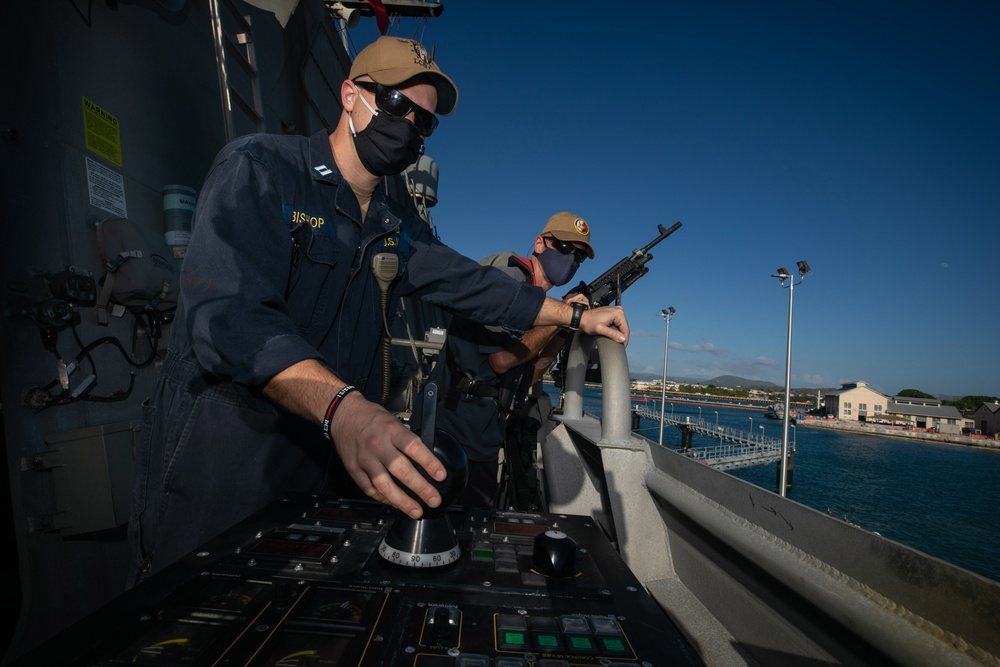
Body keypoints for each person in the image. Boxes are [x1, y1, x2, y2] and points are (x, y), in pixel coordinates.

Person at [127, 36, 629, 583]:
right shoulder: (262, 169)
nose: (410, 126)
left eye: (425, 122)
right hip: (231, 463)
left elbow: (473, 284)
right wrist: (345, 409)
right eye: (396, 105)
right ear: (350, 95)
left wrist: (574, 317)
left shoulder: (395, 226)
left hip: (330, 470)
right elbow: (231, 319)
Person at [430, 212, 594, 508]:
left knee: (474, 523)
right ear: (540, 244)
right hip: (452, 428)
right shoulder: (509, 281)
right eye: (566, 249)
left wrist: (561, 329)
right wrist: (563, 316)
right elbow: (502, 360)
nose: (571, 261)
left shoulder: (537, 301)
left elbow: (529, 375)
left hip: (483, 432)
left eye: (579, 257)